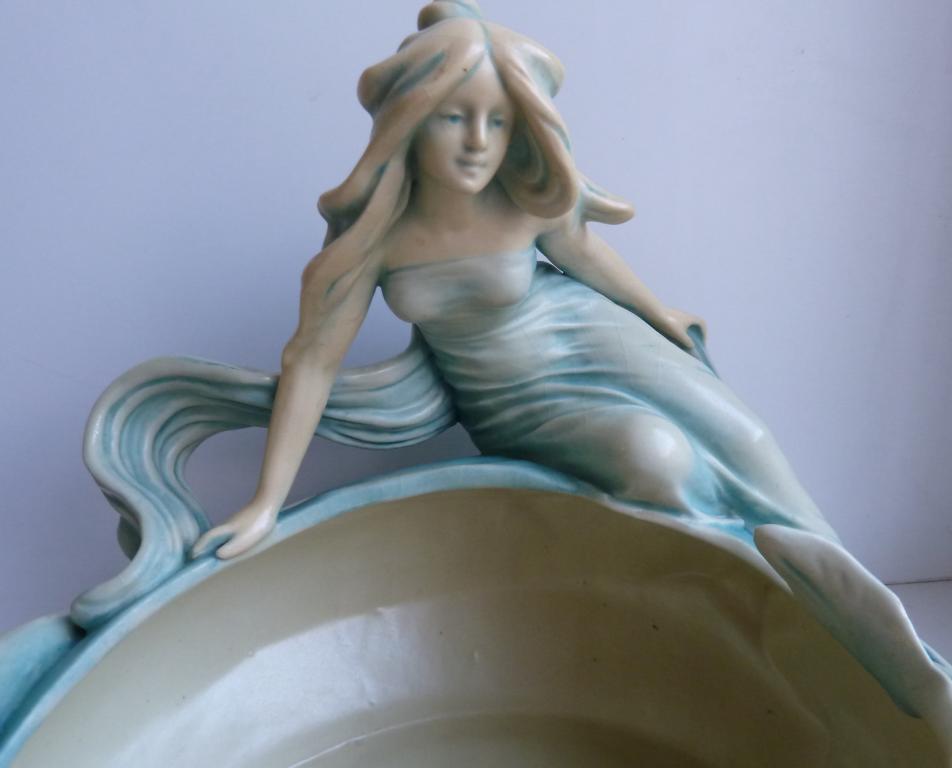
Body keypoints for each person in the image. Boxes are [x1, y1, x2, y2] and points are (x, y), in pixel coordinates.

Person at [193, 0, 835, 559]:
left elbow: (583, 254)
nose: (478, 141)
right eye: (454, 117)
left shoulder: (522, 199)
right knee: (657, 459)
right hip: (510, 402)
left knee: (743, 436)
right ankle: (739, 575)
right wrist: (266, 502)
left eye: (497, 121)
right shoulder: (375, 240)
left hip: (592, 337)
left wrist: (657, 313)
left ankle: (824, 561)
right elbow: (312, 361)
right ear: (411, 121)